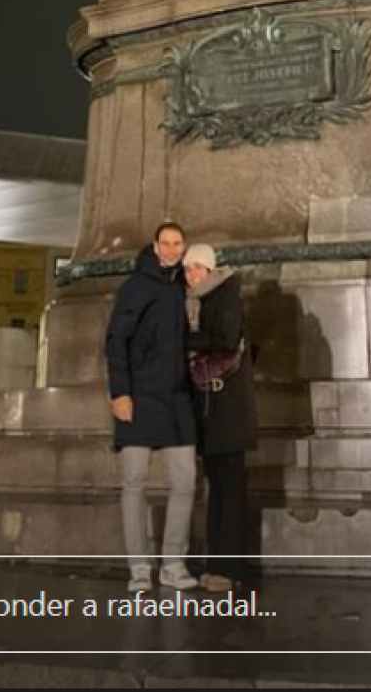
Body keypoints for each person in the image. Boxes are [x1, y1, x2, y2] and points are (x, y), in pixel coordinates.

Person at [105, 220, 198, 592]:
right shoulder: (136, 287)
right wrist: (120, 392)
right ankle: (139, 569)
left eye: (178, 243)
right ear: (155, 246)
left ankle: (173, 565)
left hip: (176, 398)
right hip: (139, 396)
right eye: (166, 243)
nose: (173, 249)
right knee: (134, 483)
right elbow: (115, 341)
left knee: (185, 480)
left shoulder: (182, 287)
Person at [183, 244, 257, 592]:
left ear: (210, 269)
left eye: (197, 268)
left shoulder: (225, 296)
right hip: (210, 407)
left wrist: (184, 339)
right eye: (187, 269)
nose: (191, 275)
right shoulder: (199, 301)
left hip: (228, 408)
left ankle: (231, 569)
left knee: (230, 488)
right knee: (218, 489)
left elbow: (226, 339)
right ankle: (217, 565)